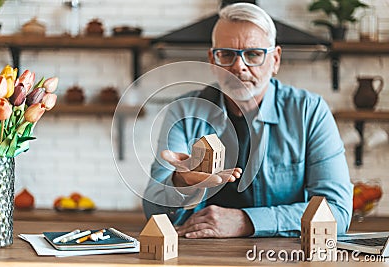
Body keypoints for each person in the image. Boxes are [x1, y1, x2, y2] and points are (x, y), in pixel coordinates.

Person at [143, 3, 353, 238]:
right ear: (213, 60)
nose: (238, 66)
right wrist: (181, 182)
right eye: (227, 54)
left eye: (253, 54)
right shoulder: (183, 111)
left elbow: (337, 212)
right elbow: (154, 212)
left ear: (275, 60)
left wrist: (246, 221)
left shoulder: (309, 112)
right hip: (202, 254)